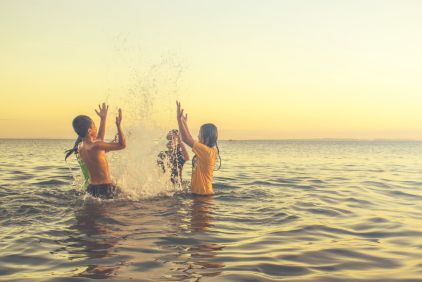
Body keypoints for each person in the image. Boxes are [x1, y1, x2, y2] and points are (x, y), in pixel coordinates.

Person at [65, 103, 126, 198]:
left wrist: (103, 119)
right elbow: (122, 145)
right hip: (105, 188)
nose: (96, 127)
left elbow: (99, 141)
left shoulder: (81, 147)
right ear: (89, 130)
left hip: (92, 188)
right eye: (94, 125)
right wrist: (118, 125)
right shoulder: (96, 145)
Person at [176, 101, 221, 195]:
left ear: (207, 138)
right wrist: (184, 123)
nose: (198, 136)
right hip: (200, 195)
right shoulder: (207, 151)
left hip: (203, 197)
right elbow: (188, 137)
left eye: (200, 134)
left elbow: (186, 138)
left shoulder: (207, 152)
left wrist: (179, 120)